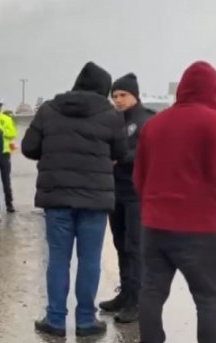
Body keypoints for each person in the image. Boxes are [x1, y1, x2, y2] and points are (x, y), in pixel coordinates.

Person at [133, 61, 216, 343]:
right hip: (197, 229)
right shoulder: (215, 122)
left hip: (154, 226)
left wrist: (156, 206)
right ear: (214, 89)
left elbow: (140, 179)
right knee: (208, 296)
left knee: (151, 290)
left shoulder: (154, 124)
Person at [21, 61, 128, 337]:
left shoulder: (48, 111)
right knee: (90, 260)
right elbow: (121, 151)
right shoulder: (111, 115)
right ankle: (85, 320)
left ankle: (55, 319)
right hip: (94, 200)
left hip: (57, 198)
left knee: (58, 259)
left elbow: (28, 147)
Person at [97, 73, 156, 323]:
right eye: (115, 96)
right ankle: (126, 292)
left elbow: (147, 153)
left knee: (135, 247)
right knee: (120, 244)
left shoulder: (147, 120)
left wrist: (119, 157)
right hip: (115, 191)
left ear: (135, 95)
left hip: (137, 194)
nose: (118, 100)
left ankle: (137, 299)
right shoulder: (114, 120)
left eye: (123, 95)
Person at [0, 96, 18, 212]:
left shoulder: (6, 118)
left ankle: (9, 203)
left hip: (4, 153)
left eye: (0, 105)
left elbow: (13, 133)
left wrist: (2, 131)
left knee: (6, 179)